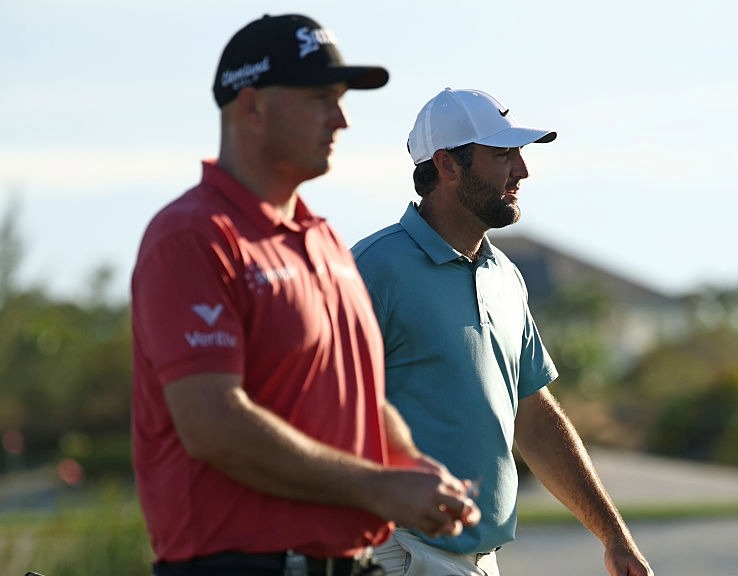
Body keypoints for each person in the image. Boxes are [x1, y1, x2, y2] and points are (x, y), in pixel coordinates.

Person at [131, 16, 479, 576]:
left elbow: (359, 395)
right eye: (320, 97)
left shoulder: (325, 241)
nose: (342, 117)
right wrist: (377, 485)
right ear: (252, 106)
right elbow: (212, 424)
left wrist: (409, 466)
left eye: (340, 98)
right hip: (239, 567)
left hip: (343, 562)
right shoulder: (193, 236)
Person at [352, 87, 654, 576]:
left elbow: (532, 416)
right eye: (502, 155)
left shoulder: (504, 276)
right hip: (397, 553)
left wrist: (613, 536)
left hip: (481, 560)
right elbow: (320, 413)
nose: (522, 170)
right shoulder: (372, 269)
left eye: (518, 154)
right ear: (448, 165)